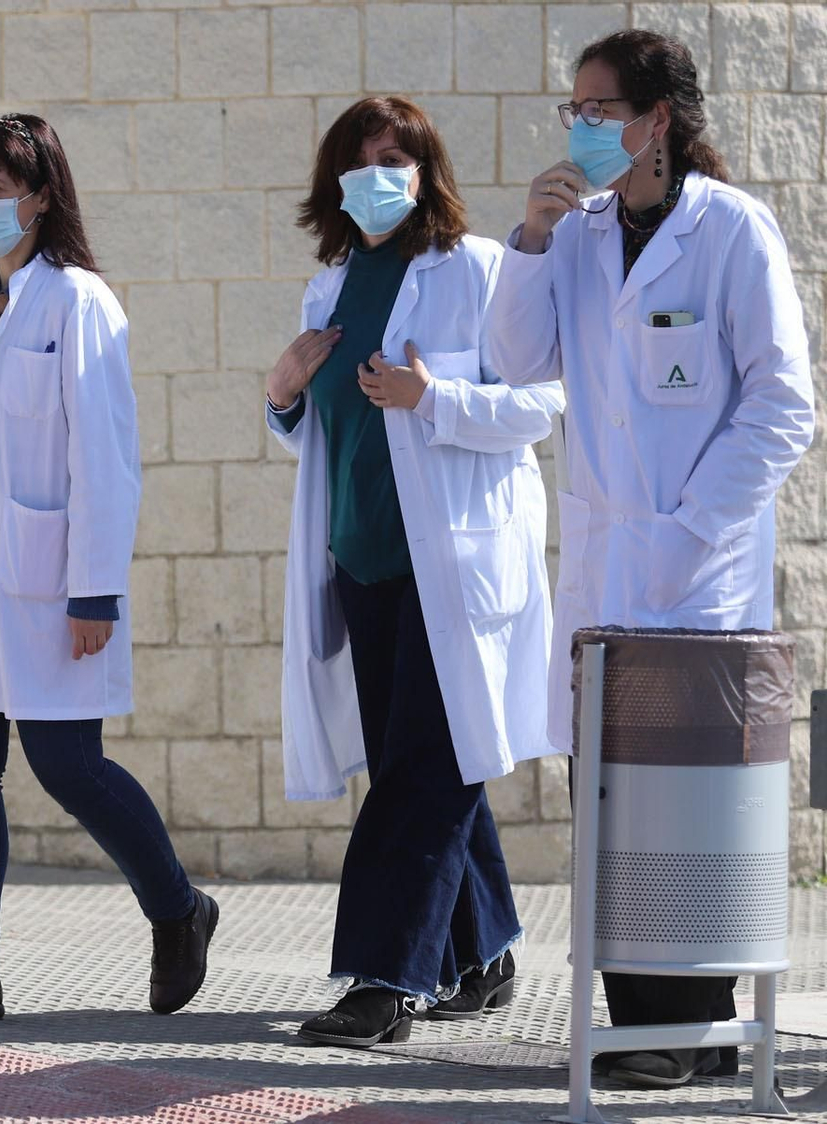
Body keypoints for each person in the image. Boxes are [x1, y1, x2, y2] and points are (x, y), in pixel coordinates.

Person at [488, 29, 814, 1088]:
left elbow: (781, 402)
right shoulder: (575, 237)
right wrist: (529, 242)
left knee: (691, 809)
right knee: (612, 794)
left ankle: (689, 1027)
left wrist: (690, 526)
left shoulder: (733, 232)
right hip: (605, 560)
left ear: (654, 120)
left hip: (698, 565)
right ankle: (651, 1029)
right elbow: (515, 360)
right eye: (570, 111)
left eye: (594, 108)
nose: (578, 127)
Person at [0, 114, 218, 1022]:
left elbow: (105, 458)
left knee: (67, 763)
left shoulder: (77, 302)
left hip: (41, 578)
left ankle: (180, 909)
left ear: (39, 195)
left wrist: (95, 585)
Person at [267, 96, 565, 1049]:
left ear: (426, 169)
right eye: (358, 163)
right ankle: (487, 953)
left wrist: (434, 399)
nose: (375, 177)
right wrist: (280, 396)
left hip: (455, 565)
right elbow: (325, 434)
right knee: (424, 762)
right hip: (363, 563)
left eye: (394, 158)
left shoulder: (477, 272)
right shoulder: (331, 288)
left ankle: (383, 980)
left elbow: (543, 403)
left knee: (421, 773)